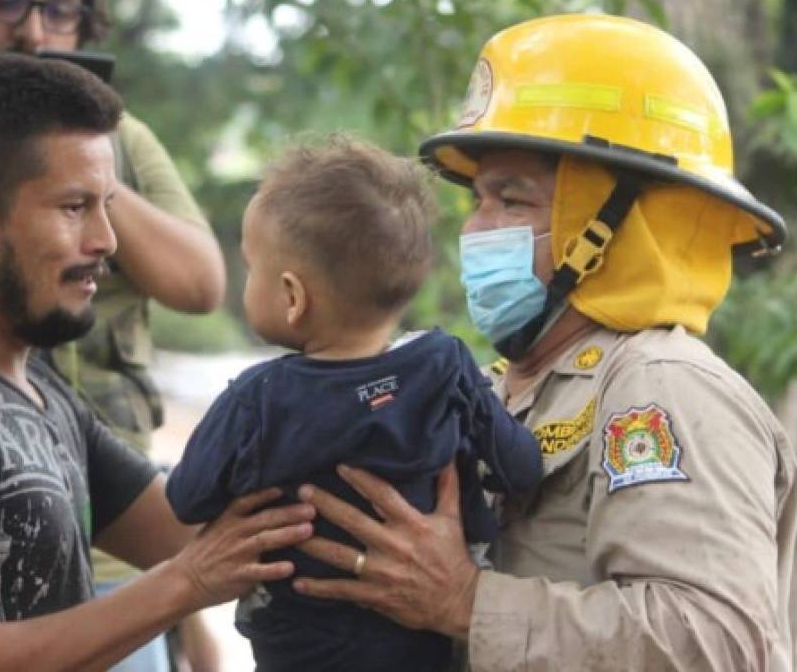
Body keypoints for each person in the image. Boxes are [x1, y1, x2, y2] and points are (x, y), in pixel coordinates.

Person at [287, 14, 797, 671]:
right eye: (477, 198)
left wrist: (465, 601)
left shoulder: (663, 383)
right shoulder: (500, 383)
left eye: (511, 199)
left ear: (613, 226)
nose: (476, 228)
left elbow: (717, 643)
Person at [0, 53, 315, 672]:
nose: (107, 239)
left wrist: (363, 402)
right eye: (74, 207)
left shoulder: (31, 386)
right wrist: (186, 584)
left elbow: (191, 525)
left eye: (104, 204)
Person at [165, 137, 543, 672]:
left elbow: (187, 499)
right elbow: (522, 469)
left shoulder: (259, 400)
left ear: (293, 298)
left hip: (297, 654)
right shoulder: (445, 367)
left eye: (252, 268)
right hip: (424, 648)